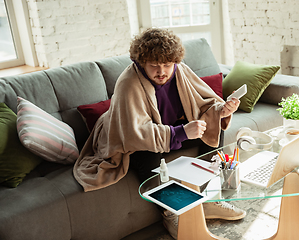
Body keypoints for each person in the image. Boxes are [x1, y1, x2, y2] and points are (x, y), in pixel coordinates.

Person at [73, 28, 246, 239]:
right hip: (128, 136)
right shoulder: (129, 82)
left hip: (166, 131)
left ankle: (206, 199)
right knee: (146, 153)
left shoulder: (179, 70)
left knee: (213, 125)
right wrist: (182, 132)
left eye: (167, 65)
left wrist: (221, 111)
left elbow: (205, 103)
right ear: (141, 62)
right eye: (154, 65)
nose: (162, 71)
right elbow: (134, 134)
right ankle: (171, 214)